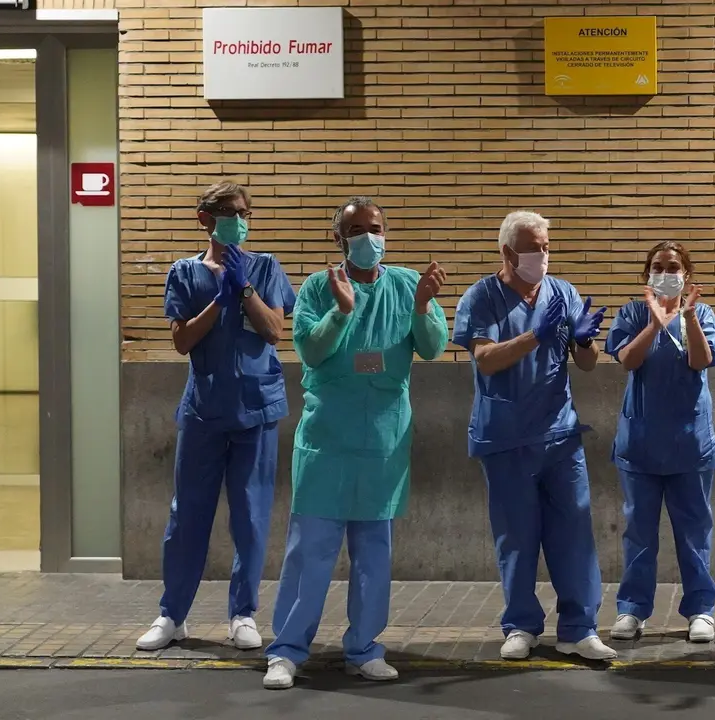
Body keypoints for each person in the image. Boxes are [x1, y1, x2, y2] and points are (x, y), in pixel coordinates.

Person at [263, 196, 449, 690]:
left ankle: (364, 647)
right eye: (358, 229)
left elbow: (432, 349)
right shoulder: (320, 288)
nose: (370, 237)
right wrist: (342, 313)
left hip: (384, 441)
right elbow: (310, 351)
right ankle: (286, 649)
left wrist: (424, 305)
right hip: (328, 439)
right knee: (311, 552)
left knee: (374, 554)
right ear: (339, 238)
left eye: (377, 227)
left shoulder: (409, 285)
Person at [137, 181, 296, 652]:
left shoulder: (265, 267)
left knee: (249, 515)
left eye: (243, 211)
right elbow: (182, 340)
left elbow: (272, 331)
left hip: (257, 410)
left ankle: (243, 613)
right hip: (204, 410)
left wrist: (243, 288)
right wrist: (219, 300)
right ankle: (172, 614)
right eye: (227, 211)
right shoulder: (184, 273)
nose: (237, 218)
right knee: (187, 515)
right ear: (204, 218)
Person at [452, 210, 617, 662]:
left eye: (547, 246)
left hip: (559, 434)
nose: (542, 255)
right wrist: (535, 336)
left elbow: (586, 363)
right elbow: (485, 358)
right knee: (517, 536)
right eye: (534, 248)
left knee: (574, 534)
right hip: (506, 436)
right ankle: (521, 625)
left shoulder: (563, 292)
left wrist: (583, 341)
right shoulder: (482, 297)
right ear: (508, 252)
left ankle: (579, 628)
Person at [604, 241, 715, 644]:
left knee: (694, 532)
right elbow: (627, 360)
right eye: (657, 266)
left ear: (686, 274)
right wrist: (655, 324)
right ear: (647, 274)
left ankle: (701, 610)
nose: (665, 272)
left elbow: (700, 361)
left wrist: (686, 318)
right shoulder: (632, 313)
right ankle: (632, 610)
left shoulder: (703, 313)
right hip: (640, 444)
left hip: (689, 445)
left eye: (673, 266)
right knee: (639, 533)